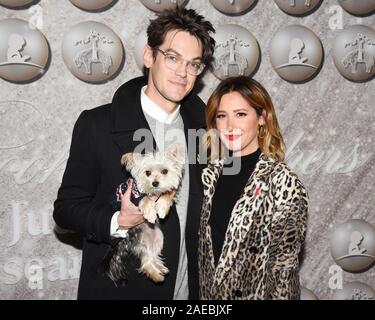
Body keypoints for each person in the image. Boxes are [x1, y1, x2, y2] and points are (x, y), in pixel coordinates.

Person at [53, 7, 215, 300]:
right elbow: (66, 210)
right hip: (124, 289)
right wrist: (117, 220)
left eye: (194, 64)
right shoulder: (98, 125)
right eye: (173, 58)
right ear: (149, 56)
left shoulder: (207, 129)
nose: (183, 73)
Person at [198, 76, 308, 300]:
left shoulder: (283, 183)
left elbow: (283, 274)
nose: (229, 126)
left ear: (262, 117)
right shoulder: (207, 177)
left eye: (240, 114)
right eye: (222, 116)